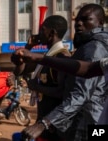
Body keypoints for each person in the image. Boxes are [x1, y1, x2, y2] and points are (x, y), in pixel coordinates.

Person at [13, 3, 108, 141]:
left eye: (86, 19)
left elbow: (77, 93)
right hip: (75, 122)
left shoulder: (92, 48)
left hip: (85, 123)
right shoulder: (82, 49)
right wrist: (30, 50)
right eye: (77, 20)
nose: (78, 24)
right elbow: (86, 69)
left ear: (100, 22)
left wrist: (45, 122)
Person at [12, 15, 71, 141]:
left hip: (55, 125)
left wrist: (36, 87)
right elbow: (19, 70)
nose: (39, 34)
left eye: (42, 30)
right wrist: (28, 47)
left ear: (52, 33)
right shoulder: (47, 56)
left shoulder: (62, 56)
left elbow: (63, 92)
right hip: (44, 122)